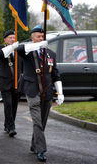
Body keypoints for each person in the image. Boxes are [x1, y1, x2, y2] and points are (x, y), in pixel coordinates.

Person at [17, 25, 64, 162]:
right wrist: (36, 46)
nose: (41, 38)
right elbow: (19, 48)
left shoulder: (50, 54)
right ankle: (41, 150)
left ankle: (34, 144)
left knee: (42, 122)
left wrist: (60, 93)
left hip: (48, 92)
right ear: (32, 38)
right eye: (38, 36)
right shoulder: (27, 51)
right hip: (32, 90)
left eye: (42, 36)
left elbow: (55, 74)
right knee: (37, 121)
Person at [0, 30, 21, 137]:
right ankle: (11, 127)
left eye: (14, 37)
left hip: (17, 82)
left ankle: (8, 124)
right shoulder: (1, 48)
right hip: (5, 82)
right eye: (10, 37)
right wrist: (12, 47)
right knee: (8, 105)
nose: (13, 39)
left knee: (14, 105)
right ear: (5, 39)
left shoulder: (18, 50)